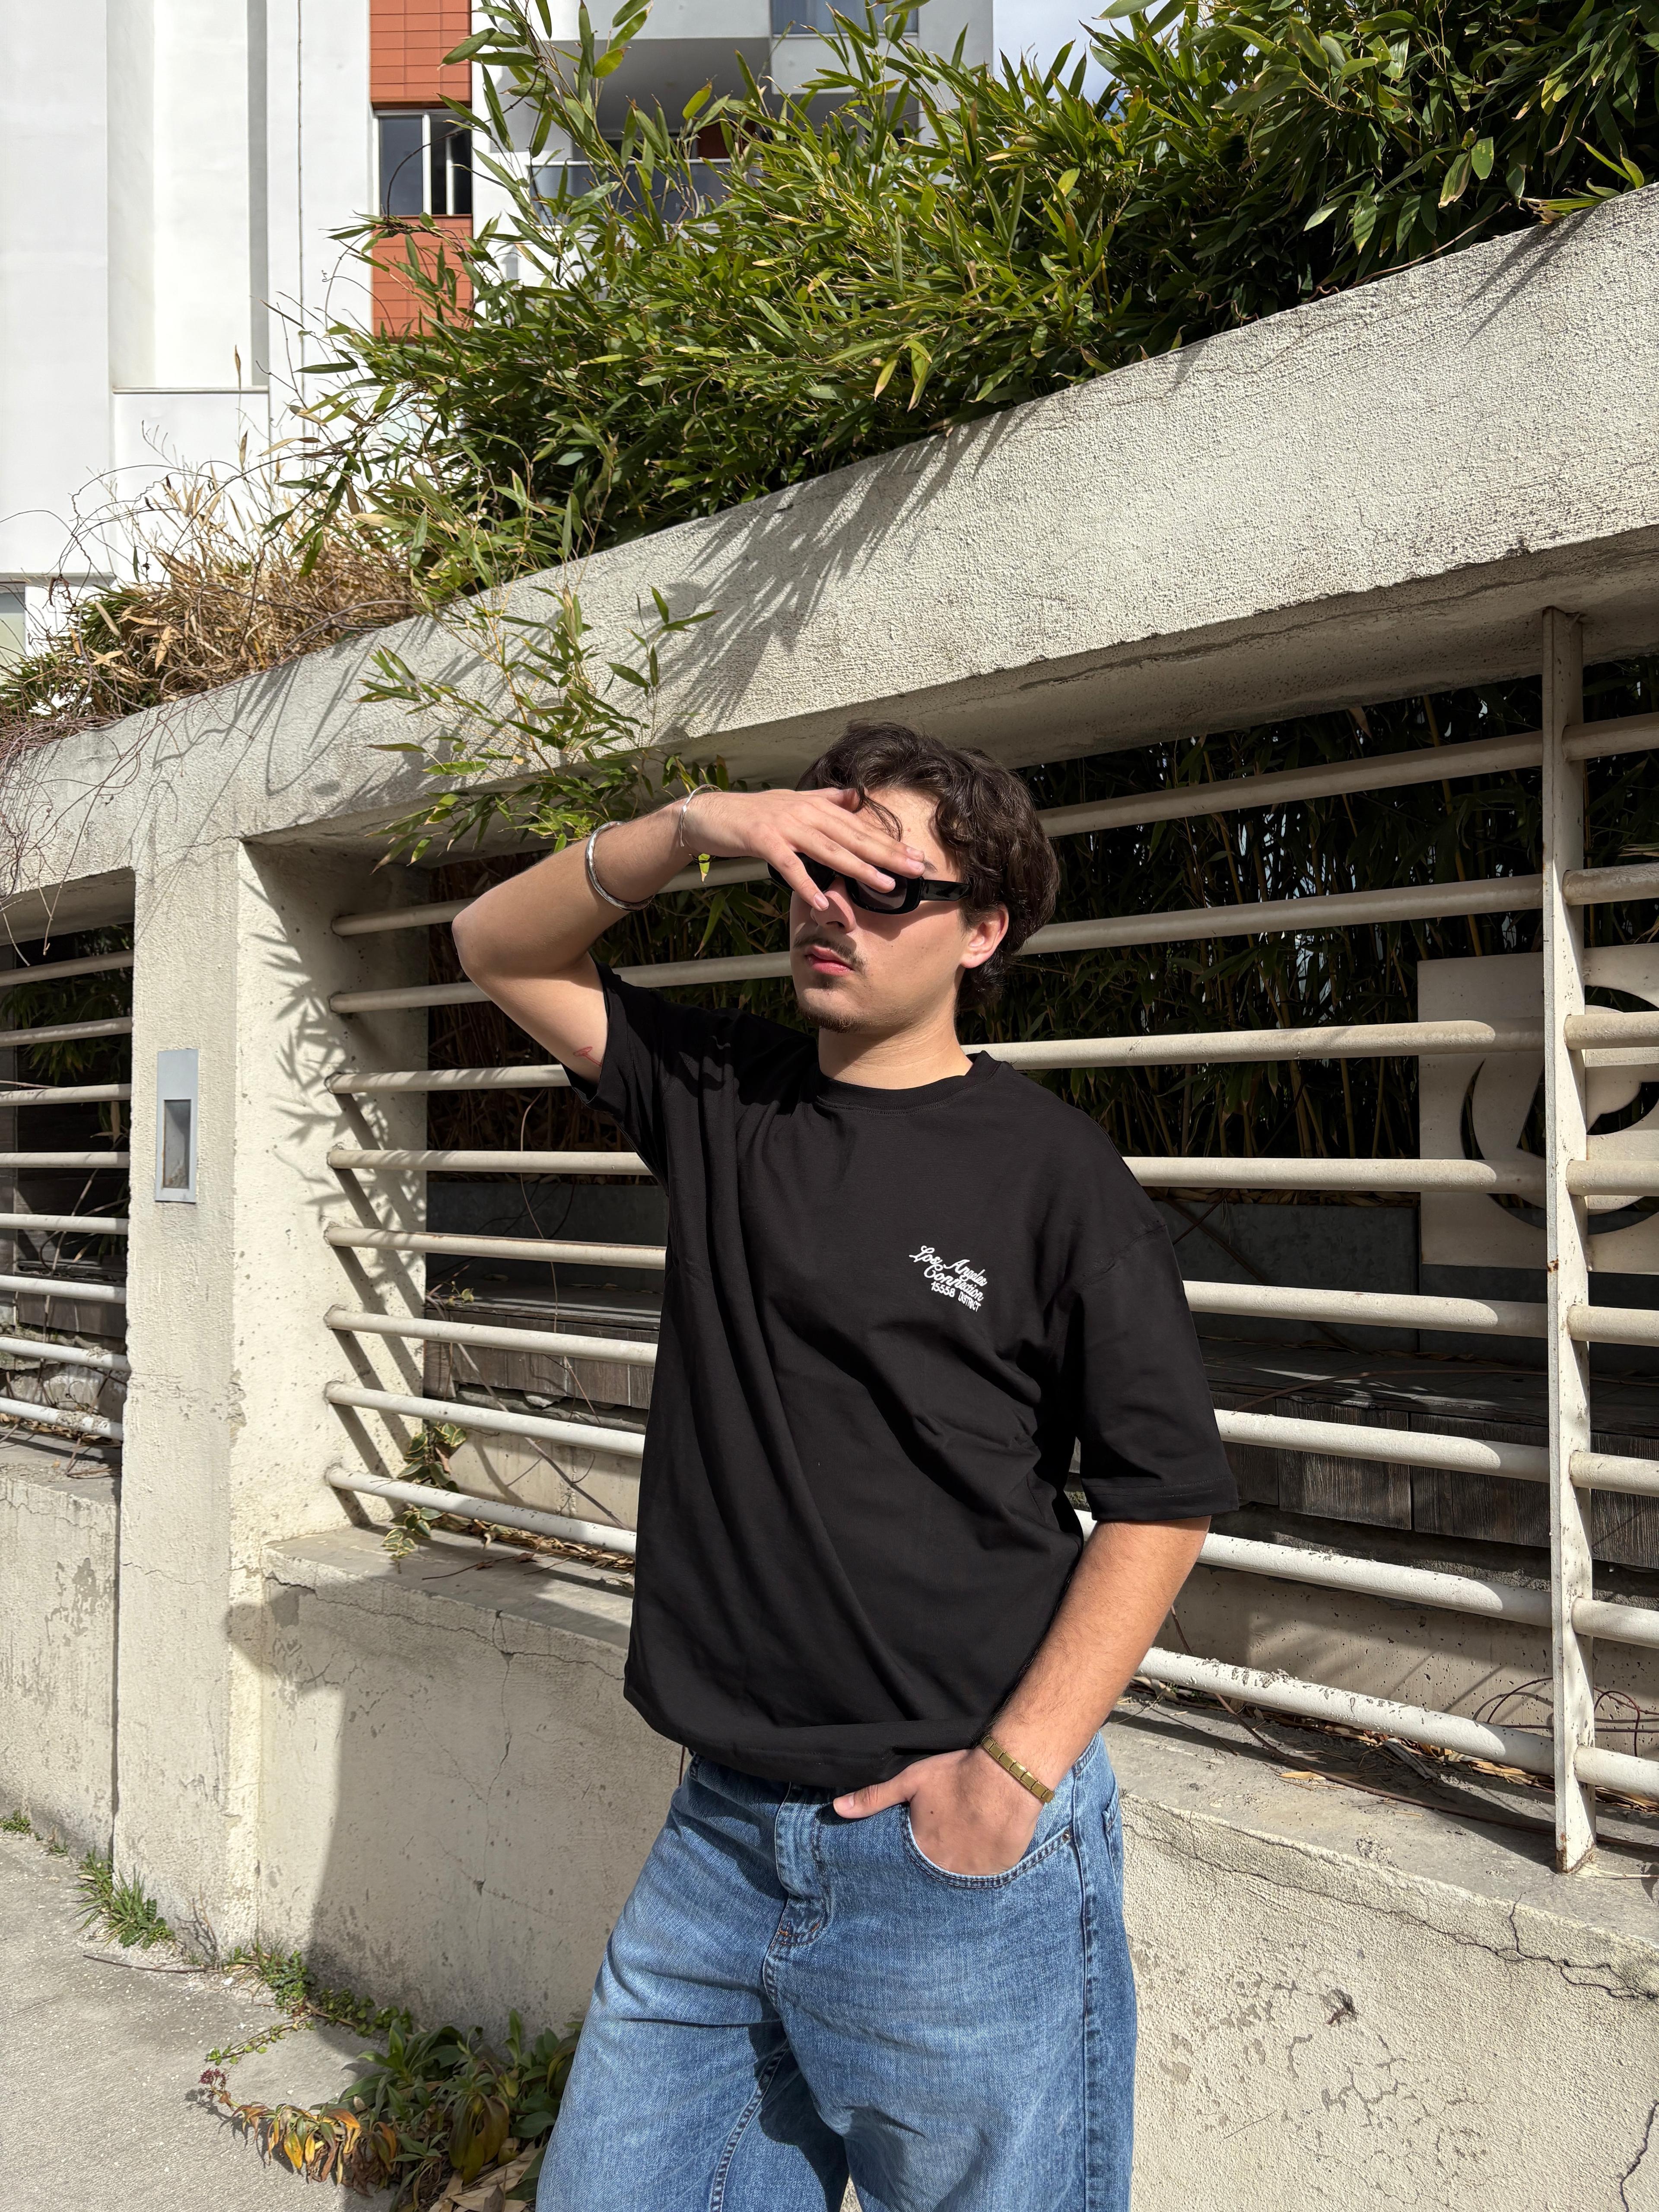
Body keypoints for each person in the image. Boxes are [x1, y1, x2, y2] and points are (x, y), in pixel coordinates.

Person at [453, 723, 1239, 2212]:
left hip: (954, 1861)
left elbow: (1164, 1496)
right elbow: (495, 944)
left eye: (886, 887)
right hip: (717, 1842)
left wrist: (1010, 1780)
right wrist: (700, 823)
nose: (831, 910)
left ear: (981, 931)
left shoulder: (1053, 1173)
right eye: (817, 871)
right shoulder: (724, 1096)